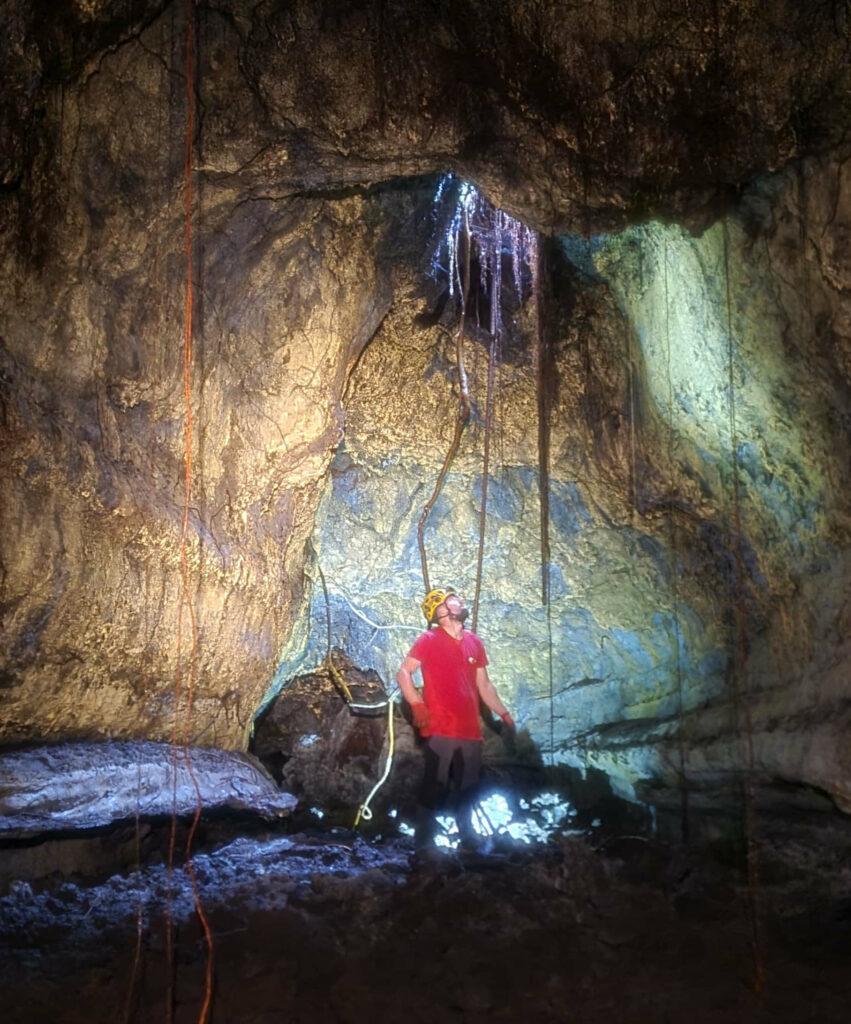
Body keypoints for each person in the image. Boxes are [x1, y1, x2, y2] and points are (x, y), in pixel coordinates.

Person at [397, 587, 515, 849]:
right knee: (436, 782)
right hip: (440, 726)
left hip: (469, 729)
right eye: (451, 601)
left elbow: (484, 685)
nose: (458, 602)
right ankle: (423, 841)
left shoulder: (475, 642)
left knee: (469, 784)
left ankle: (467, 836)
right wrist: (417, 704)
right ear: (440, 612)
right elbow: (404, 673)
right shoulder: (428, 639)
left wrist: (503, 713)